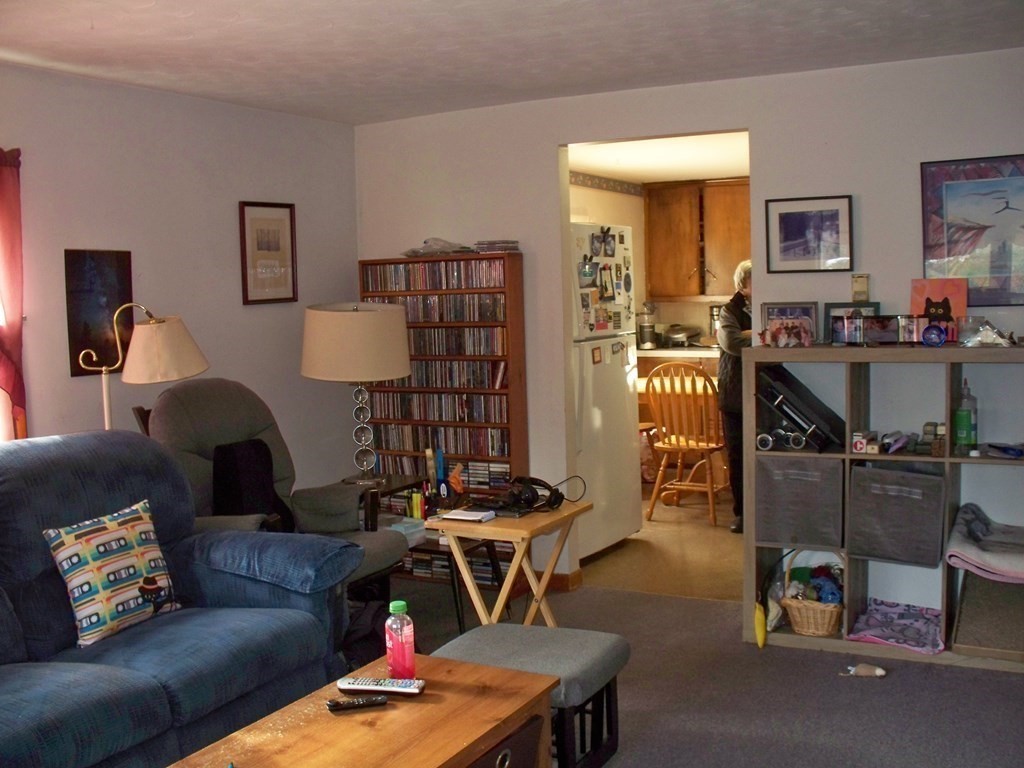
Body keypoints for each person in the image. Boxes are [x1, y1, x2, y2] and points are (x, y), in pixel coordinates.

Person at [716, 260, 752, 534]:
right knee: (738, 455)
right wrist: (760, 335)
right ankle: (741, 514)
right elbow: (733, 343)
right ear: (744, 286)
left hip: (763, 391)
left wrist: (754, 333)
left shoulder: (768, 305)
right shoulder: (730, 311)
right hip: (735, 394)